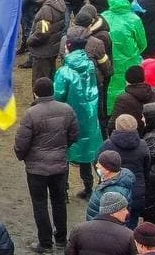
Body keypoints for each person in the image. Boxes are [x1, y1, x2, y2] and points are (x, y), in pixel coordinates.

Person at [14, 76, 78, 253]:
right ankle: (61, 240)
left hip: (36, 169)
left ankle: (45, 243)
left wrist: (23, 156)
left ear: (35, 93)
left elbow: (21, 143)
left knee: (40, 204)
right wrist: (62, 148)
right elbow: (74, 134)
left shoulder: (30, 114)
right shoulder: (67, 109)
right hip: (59, 165)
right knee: (59, 202)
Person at [56, 38, 105, 199]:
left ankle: (63, 190)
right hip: (89, 116)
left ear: (69, 48)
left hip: (68, 118)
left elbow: (58, 95)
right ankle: (89, 187)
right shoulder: (90, 65)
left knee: (64, 153)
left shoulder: (64, 72)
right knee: (87, 152)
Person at [66, 190, 133, 255]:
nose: (127, 212)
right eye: (124, 209)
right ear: (113, 212)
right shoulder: (129, 236)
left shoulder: (78, 230)